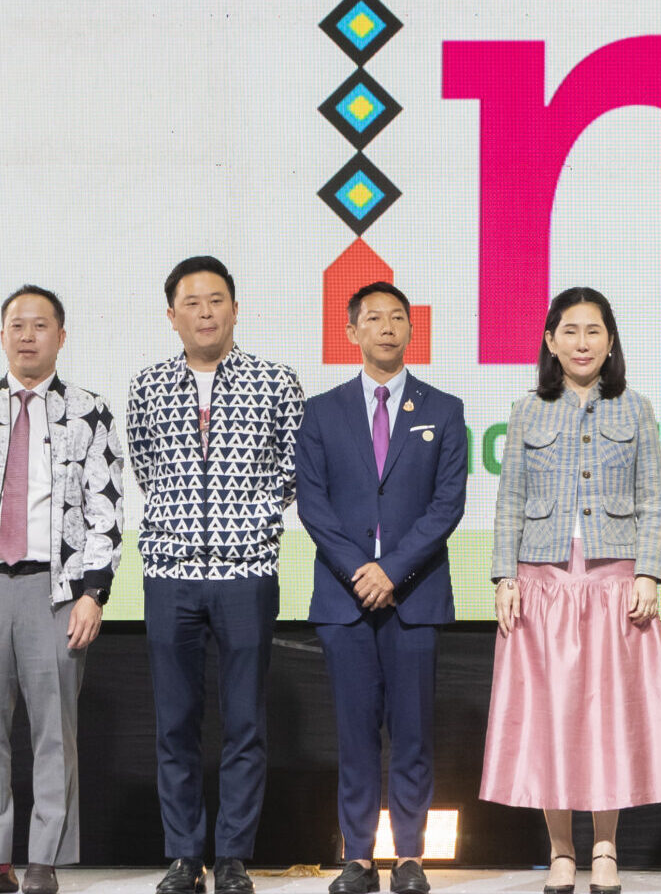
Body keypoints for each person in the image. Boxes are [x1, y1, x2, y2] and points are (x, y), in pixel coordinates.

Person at [481, 287, 661, 894]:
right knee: (551, 716)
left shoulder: (635, 408)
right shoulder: (527, 410)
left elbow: (654, 501)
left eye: (593, 331)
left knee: (608, 715)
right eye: (569, 331)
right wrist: (504, 576)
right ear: (550, 341)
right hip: (542, 580)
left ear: (610, 341)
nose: (581, 342)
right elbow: (509, 500)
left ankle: (604, 847)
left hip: (612, 580)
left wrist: (648, 572)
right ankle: (561, 850)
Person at [0, 286, 123, 894]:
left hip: (54, 591)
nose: (28, 335)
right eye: (17, 325)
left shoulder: (89, 411)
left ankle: (43, 861)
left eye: (40, 325)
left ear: (62, 336)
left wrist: (94, 592)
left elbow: (106, 508)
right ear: (2, 335)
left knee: (55, 733)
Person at [125, 256, 305, 894]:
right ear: (171, 315)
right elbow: (145, 467)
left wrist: (249, 519)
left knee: (244, 721)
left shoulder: (275, 381)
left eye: (216, 300)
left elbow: (292, 469)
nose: (205, 312)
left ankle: (232, 856)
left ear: (235, 308)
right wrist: (177, 527)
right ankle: (183, 855)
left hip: (246, 570)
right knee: (174, 721)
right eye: (192, 303)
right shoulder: (147, 385)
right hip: (169, 571)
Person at [295, 281, 470, 894]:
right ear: (352, 332)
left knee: (413, 733)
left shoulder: (444, 409)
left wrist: (391, 570)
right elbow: (313, 506)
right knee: (355, 734)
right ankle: (359, 858)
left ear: (411, 330)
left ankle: (411, 857)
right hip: (343, 599)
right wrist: (360, 571)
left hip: (414, 596)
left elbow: (447, 504)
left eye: (398, 317)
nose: (387, 327)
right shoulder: (322, 411)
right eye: (373, 318)